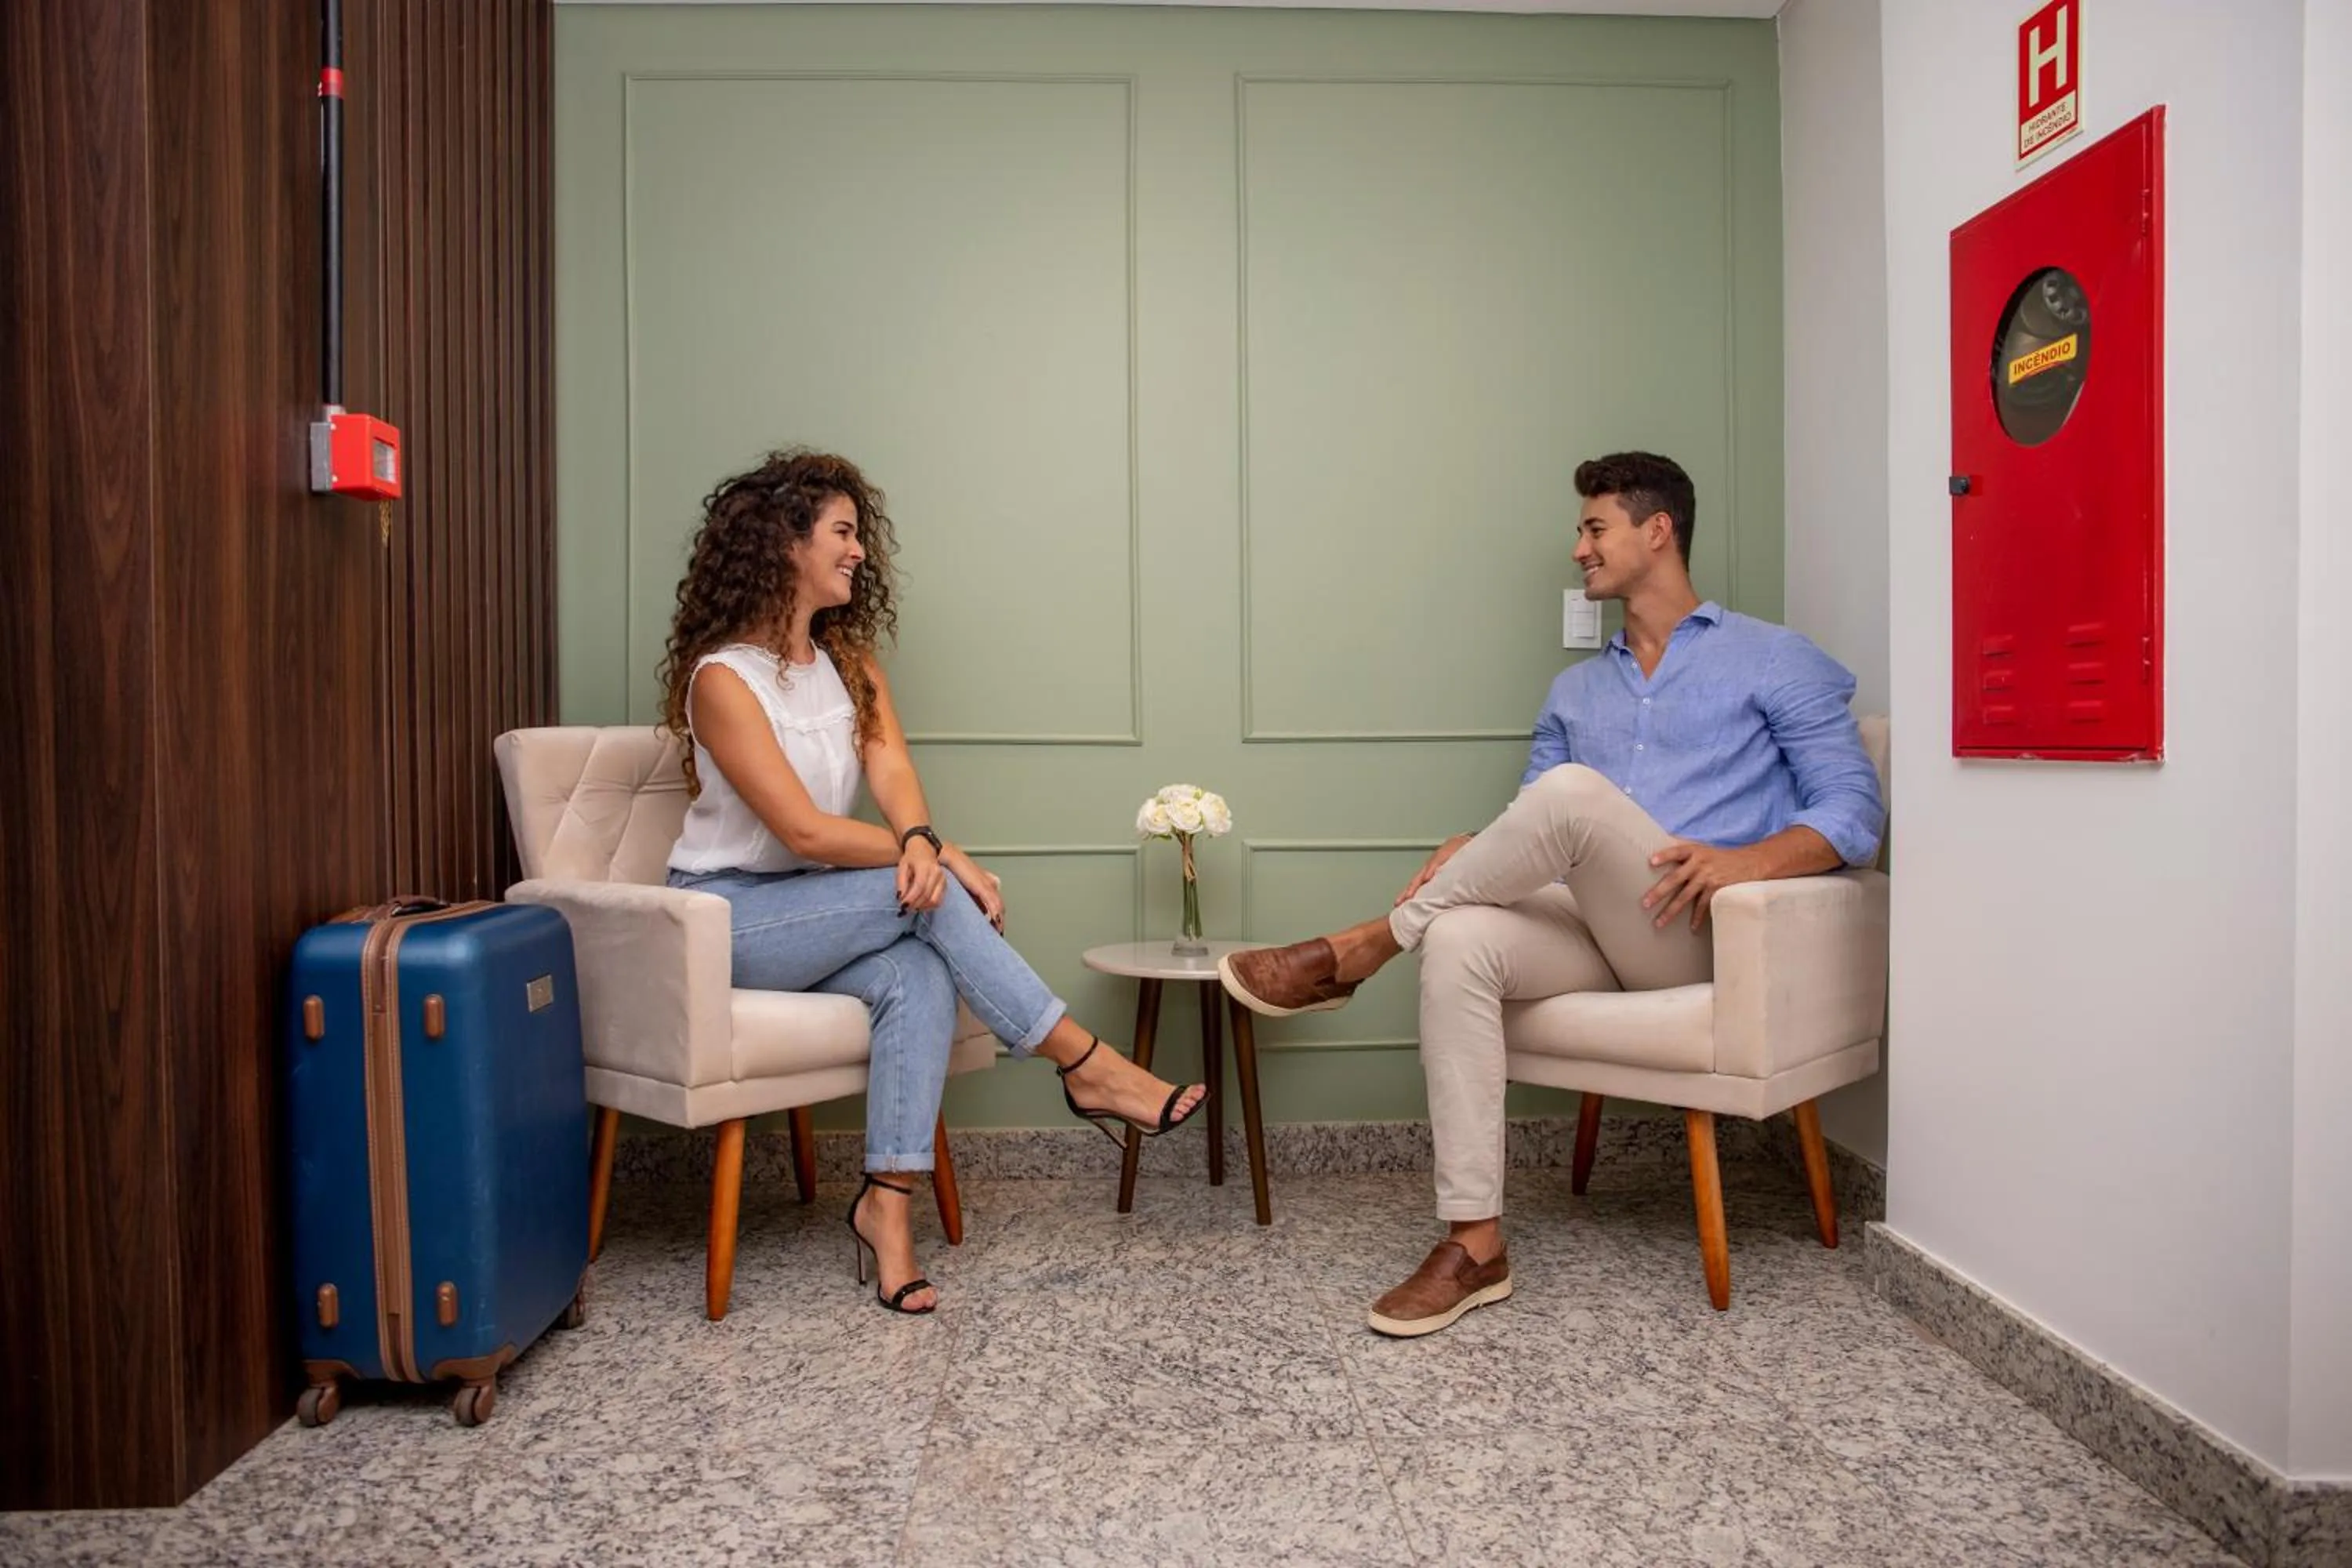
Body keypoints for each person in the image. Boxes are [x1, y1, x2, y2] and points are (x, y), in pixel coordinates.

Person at [1219, 451, 1884, 1338]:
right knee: (1460, 937)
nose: (1578, 548)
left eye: (1593, 526)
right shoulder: (1577, 687)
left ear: (1658, 530)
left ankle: (1364, 945)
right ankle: (1475, 1240)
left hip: (1704, 931)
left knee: (1568, 792)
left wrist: (1747, 861)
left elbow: (1854, 811)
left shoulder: (1772, 656)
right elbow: (1533, 826)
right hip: (1593, 927)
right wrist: (1477, 844)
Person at [660, 448, 1207, 1316]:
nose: (858, 552)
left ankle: (887, 1210)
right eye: (842, 533)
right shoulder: (723, 679)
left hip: (822, 908)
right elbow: (800, 828)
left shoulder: (850, 662)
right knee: (927, 891)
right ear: (784, 542)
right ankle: (1087, 1065)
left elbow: (894, 771)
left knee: (917, 970)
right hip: (724, 920)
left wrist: (921, 835)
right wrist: (936, 856)